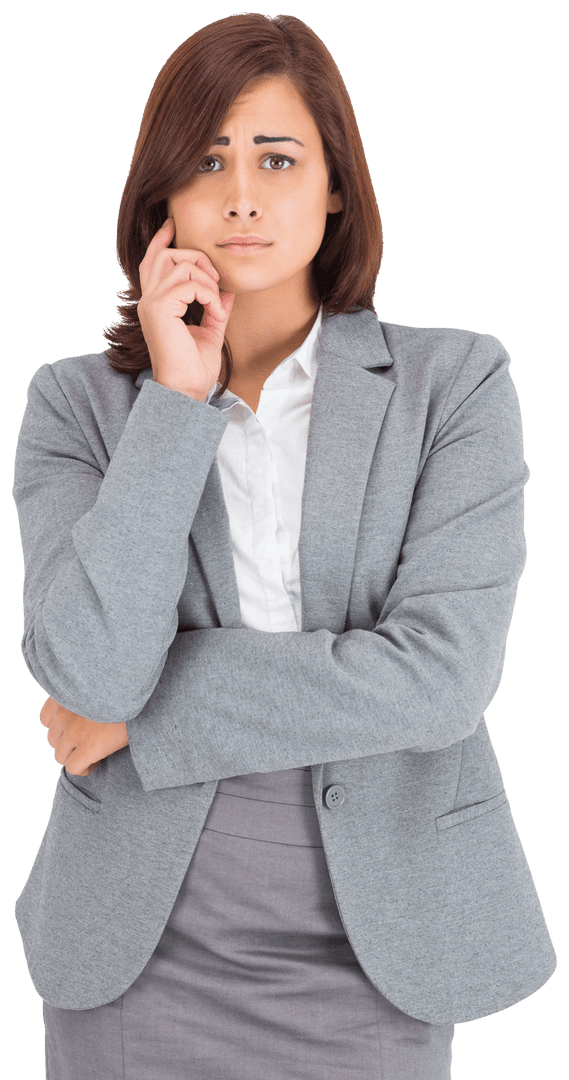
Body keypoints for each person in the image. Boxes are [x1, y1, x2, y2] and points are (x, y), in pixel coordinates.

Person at [11, 12, 556, 1080]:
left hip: (378, 937)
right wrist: (174, 400)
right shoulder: (74, 404)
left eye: (276, 157)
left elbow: (441, 680)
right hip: (137, 946)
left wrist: (142, 721)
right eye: (207, 161)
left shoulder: (456, 385)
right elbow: (90, 671)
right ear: (160, 198)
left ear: (335, 185)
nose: (242, 194)